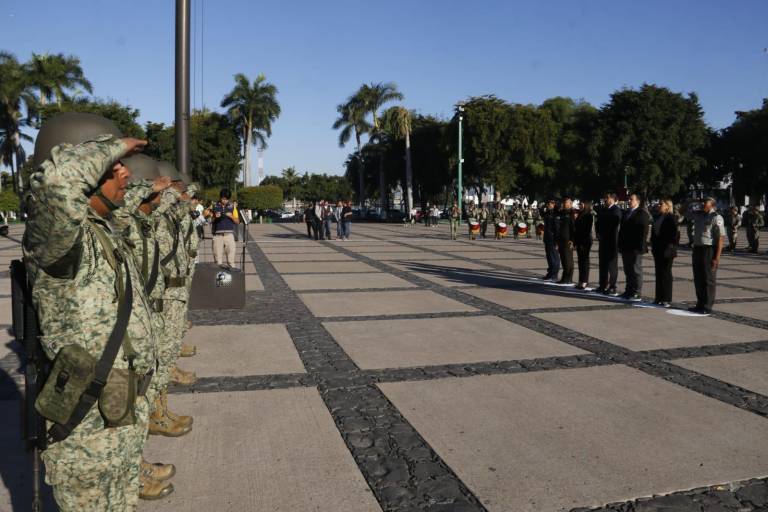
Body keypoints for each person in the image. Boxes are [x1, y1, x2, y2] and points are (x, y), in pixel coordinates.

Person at [22, 113, 160, 508]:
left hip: (116, 410)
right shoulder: (57, 238)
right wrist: (111, 147)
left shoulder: (101, 227)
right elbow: (55, 183)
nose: (126, 176)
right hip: (86, 425)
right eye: (115, 168)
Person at [686, 197, 725, 314]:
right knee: (698, 278)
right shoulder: (699, 215)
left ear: (712, 204)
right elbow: (682, 212)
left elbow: (720, 239)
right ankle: (700, 303)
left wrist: (717, 258)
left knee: (708, 278)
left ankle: (707, 306)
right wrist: (690, 201)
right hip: (697, 248)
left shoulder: (716, 217)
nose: (702, 203)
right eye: (702, 201)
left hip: (709, 250)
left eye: (705, 202)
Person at [618, 193, 651, 301]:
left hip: (636, 247)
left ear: (638, 201)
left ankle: (637, 292)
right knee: (628, 270)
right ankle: (629, 290)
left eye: (631, 199)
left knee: (636, 270)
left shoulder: (642, 213)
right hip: (626, 246)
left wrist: (641, 246)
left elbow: (644, 231)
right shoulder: (627, 213)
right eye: (629, 199)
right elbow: (622, 230)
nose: (629, 201)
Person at [650, 199, 679, 307]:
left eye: (661, 204)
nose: (659, 205)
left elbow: (674, 235)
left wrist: (671, 247)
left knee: (666, 273)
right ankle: (658, 297)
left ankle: (666, 298)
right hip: (658, 248)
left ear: (667, 206)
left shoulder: (671, 217)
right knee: (659, 273)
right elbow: (654, 232)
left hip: (667, 249)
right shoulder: (658, 216)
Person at [595, 192, 622, 296]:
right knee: (603, 264)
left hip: (612, 242)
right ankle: (602, 285)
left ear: (612, 199)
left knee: (612, 266)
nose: (605, 199)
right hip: (603, 241)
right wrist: (598, 233)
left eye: (607, 198)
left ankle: (612, 286)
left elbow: (614, 223)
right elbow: (598, 222)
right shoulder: (603, 210)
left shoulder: (616, 210)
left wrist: (604, 221)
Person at [211, 188, 239, 267]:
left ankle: (232, 273)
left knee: (231, 260)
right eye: (223, 199)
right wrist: (215, 217)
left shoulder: (232, 207)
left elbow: (237, 221)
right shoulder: (214, 206)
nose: (225, 201)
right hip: (217, 235)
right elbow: (210, 219)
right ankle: (218, 274)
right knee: (218, 260)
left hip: (229, 235)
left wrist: (231, 216)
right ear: (220, 197)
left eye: (227, 199)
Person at [573, 201, 594, 290]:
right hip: (579, 241)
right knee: (580, 261)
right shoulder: (580, 214)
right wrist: (575, 242)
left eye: (581, 204)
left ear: (586, 205)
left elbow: (587, 230)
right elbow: (576, 229)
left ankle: (585, 281)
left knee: (585, 261)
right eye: (580, 204)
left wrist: (581, 242)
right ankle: (580, 280)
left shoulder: (589, 215)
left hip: (585, 241)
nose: (580, 206)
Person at [556, 197, 575, 284]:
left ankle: (568, 278)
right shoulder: (562, 213)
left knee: (568, 259)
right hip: (561, 239)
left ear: (571, 204)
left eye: (567, 203)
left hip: (568, 240)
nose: (565, 204)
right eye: (564, 202)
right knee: (563, 259)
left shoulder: (572, 213)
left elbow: (574, 228)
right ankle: (564, 277)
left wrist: (572, 240)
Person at [542, 198, 560, 281]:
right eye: (547, 203)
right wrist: (542, 206)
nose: (548, 205)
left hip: (553, 239)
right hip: (547, 238)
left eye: (550, 204)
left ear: (554, 204)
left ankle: (554, 274)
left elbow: (557, 229)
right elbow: (541, 212)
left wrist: (557, 241)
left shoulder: (555, 214)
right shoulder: (547, 213)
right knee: (549, 256)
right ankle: (550, 273)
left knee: (554, 257)